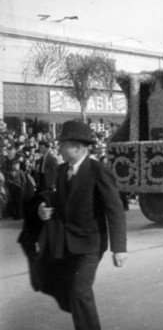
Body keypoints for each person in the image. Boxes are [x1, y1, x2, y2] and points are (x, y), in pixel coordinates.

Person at [36, 120, 127, 330]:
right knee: (72, 292)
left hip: (91, 244)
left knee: (80, 292)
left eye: (63, 143)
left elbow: (115, 210)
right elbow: (59, 201)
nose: (58, 147)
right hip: (68, 243)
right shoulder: (61, 171)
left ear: (77, 147)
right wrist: (44, 207)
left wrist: (119, 248)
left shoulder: (98, 171)